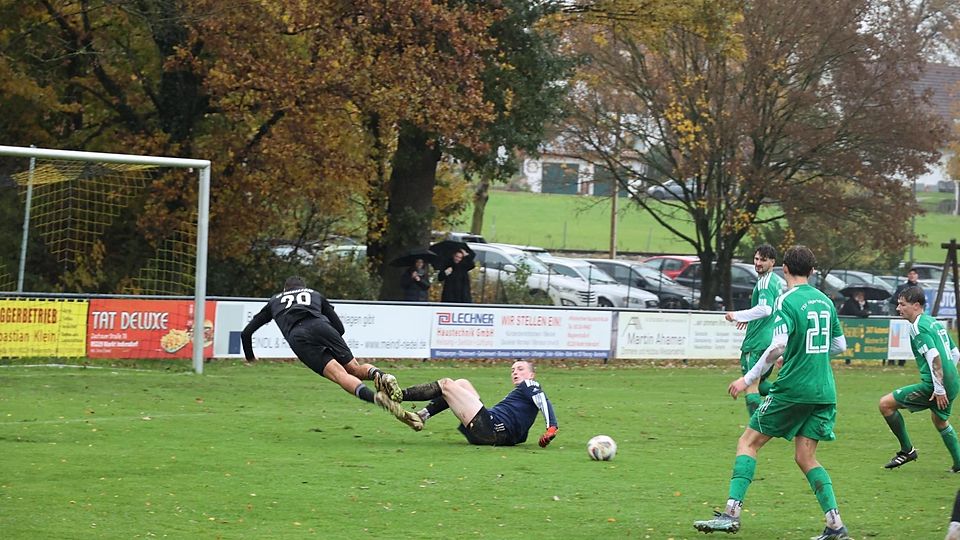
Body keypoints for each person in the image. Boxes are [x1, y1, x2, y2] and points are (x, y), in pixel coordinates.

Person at [694, 245, 851, 540]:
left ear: (786, 270)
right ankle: (835, 526)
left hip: (793, 389)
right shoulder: (826, 301)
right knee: (806, 458)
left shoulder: (786, 301)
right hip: (824, 391)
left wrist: (747, 378)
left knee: (748, 443)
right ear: (813, 271)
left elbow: (777, 346)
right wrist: (805, 353)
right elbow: (840, 346)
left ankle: (731, 513)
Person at [240, 276, 423, 431]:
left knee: (339, 375)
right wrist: (331, 339)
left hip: (299, 336)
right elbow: (340, 328)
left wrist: (250, 357)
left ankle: (376, 398)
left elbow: (246, 332)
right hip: (323, 327)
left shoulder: (274, 301)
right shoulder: (315, 295)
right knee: (354, 368)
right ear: (303, 288)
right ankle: (381, 375)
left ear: (284, 289)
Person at [878, 285, 960, 472]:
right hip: (953, 382)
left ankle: (907, 450)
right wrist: (948, 378)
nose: (898, 308)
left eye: (902, 304)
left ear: (916, 305)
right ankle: (959, 462)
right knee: (940, 421)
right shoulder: (933, 322)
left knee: (885, 404)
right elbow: (955, 353)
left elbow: (933, 356)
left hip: (935, 386)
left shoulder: (917, 327)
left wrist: (939, 389)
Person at [398, 360, 558, 447]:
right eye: (513, 370)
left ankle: (398, 395)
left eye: (520, 369)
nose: (515, 372)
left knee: (447, 384)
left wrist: (551, 427)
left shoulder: (530, 385)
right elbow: (519, 435)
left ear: (531, 375)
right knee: (461, 383)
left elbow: (543, 401)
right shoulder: (519, 395)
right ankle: (422, 415)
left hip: (490, 429)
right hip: (491, 429)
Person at [724, 243, 785, 417]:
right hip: (769, 340)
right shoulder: (775, 281)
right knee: (760, 383)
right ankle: (791, 395)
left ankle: (756, 429)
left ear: (772, 262)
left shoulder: (765, 283)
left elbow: (765, 309)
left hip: (757, 342)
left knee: (750, 385)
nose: (758, 263)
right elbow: (773, 310)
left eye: (763, 260)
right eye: (756, 259)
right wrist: (749, 318)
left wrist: (737, 315)